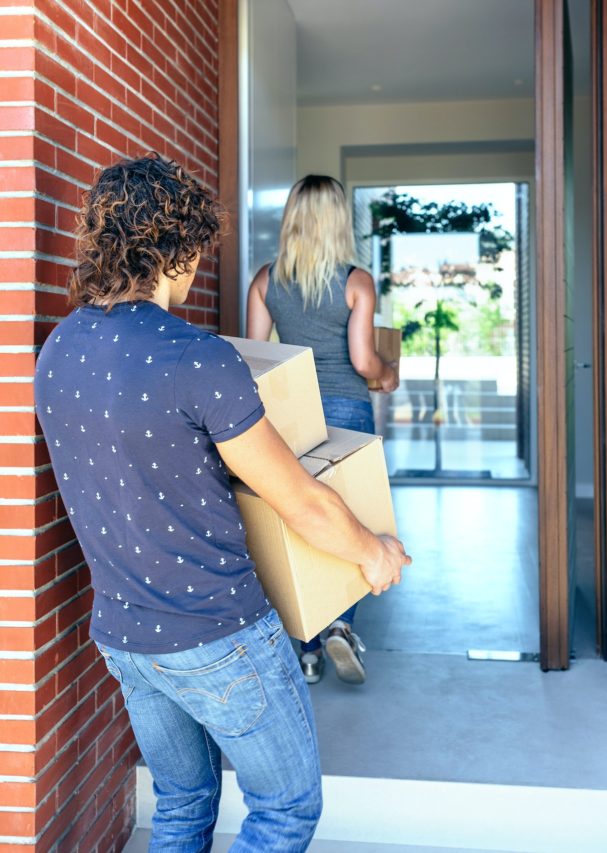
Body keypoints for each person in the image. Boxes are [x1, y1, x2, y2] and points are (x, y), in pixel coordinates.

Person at [34, 155, 410, 853]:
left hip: (124, 634)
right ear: (180, 246)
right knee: (285, 808)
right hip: (217, 634)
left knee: (181, 805)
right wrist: (374, 552)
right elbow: (297, 499)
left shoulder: (57, 350)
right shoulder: (197, 356)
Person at [247, 174, 399, 687]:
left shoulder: (266, 280)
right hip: (348, 414)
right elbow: (362, 360)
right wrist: (387, 373)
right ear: (339, 221)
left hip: (291, 420)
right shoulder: (355, 281)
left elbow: (257, 358)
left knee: (301, 519)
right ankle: (340, 626)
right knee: (354, 518)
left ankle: (307, 651)